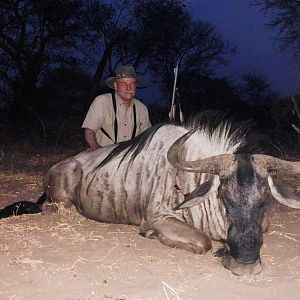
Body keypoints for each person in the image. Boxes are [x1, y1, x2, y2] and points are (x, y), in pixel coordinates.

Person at [82, 65, 152, 151]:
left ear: (135, 86)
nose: (128, 88)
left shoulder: (142, 108)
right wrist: (95, 147)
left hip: (130, 157)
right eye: (123, 84)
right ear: (115, 86)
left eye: (132, 84)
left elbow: (148, 137)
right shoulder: (102, 101)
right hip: (104, 154)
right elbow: (90, 130)